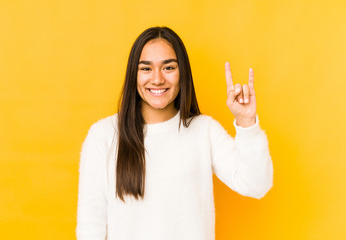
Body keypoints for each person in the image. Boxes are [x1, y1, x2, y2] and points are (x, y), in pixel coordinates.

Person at [76, 26, 273, 240]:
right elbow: (90, 228)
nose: (158, 79)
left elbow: (256, 185)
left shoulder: (203, 130)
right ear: (134, 74)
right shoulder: (103, 136)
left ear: (182, 73)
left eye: (168, 67)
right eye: (146, 69)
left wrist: (246, 122)